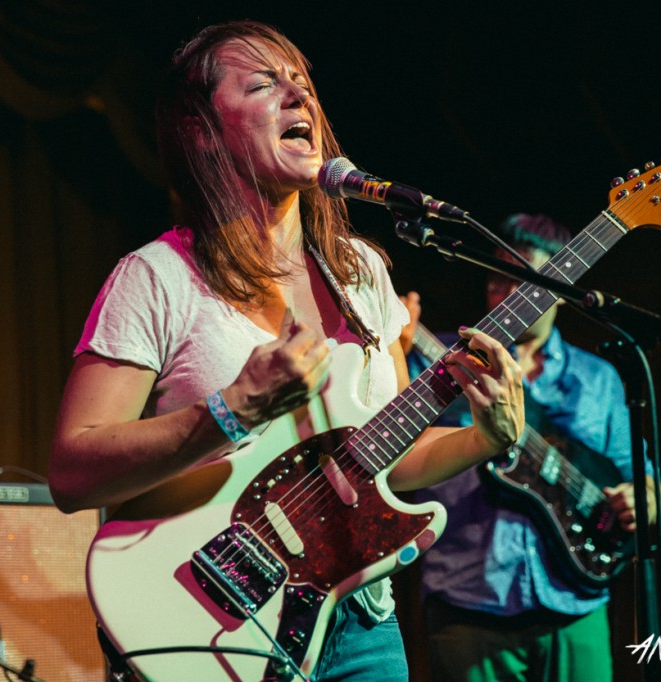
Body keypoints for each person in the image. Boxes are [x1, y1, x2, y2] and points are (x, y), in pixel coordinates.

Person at [47, 20, 524, 682]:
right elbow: (73, 474)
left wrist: (482, 438)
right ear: (202, 131)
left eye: (303, 82)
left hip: (360, 624)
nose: (300, 95)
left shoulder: (362, 272)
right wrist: (235, 409)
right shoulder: (158, 277)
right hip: (213, 614)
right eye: (264, 84)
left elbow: (380, 457)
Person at [402, 213, 661, 682]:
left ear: (560, 291)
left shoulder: (598, 378)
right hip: (468, 602)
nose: (506, 293)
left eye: (521, 280)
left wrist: (643, 498)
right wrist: (394, 349)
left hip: (576, 604)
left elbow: (644, 479)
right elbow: (385, 440)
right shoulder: (436, 359)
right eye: (496, 279)